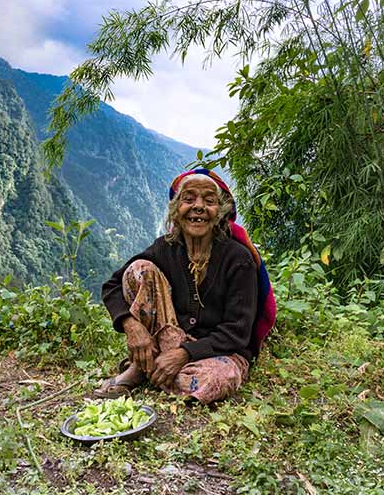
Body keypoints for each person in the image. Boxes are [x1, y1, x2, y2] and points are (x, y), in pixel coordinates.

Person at [97, 169, 275, 404]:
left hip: (218, 353)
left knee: (217, 378)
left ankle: (146, 368)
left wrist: (184, 354)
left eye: (209, 201)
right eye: (188, 199)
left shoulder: (238, 259)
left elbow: (237, 332)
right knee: (139, 268)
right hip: (168, 340)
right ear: (176, 211)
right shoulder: (166, 248)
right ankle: (154, 366)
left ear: (219, 213)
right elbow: (112, 286)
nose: (198, 207)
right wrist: (132, 327)